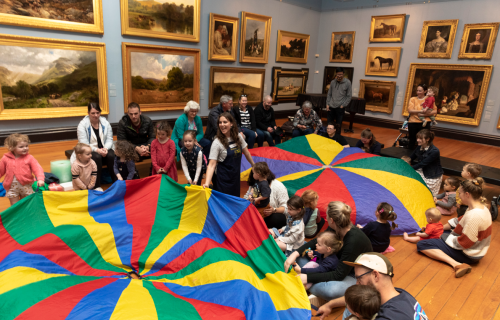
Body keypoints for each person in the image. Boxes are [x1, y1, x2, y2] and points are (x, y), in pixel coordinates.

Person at [284, 201, 372, 302]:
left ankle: (306, 282)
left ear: (332, 220)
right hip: (330, 263)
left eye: (326, 216)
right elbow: (316, 241)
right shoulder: (336, 227)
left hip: (352, 274)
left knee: (330, 291)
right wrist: (295, 254)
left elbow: (339, 274)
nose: (325, 219)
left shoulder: (353, 240)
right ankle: (308, 282)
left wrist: (308, 278)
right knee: (300, 250)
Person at [317, 252, 427, 320]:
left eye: (359, 278)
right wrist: (330, 304)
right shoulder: (398, 293)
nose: (356, 283)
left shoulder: (388, 316)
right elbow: (356, 298)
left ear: (375, 275)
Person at [417, 178, 491, 278]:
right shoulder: (479, 207)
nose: (458, 196)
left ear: (467, 194)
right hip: (475, 248)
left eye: (459, 193)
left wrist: (443, 236)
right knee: (440, 233)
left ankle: (457, 265)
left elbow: (465, 242)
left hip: (470, 254)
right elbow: (460, 220)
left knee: (422, 244)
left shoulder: (474, 216)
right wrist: (438, 228)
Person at [203, 112, 255, 197]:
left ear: (231, 124)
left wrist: (253, 165)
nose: (222, 125)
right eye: (220, 122)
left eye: (225, 122)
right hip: (222, 180)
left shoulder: (238, 137)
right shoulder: (217, 142)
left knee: (234, 201)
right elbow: (211, 165)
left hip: (235, 177)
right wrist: (207, 183)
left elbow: (246, 152)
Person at [72, 102, 116, 189]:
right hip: (88, 149)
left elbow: (110, 139)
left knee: (111, 155)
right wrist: (97, 150)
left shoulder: (105, 123)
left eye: (98, 113)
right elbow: (84, 144)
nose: (96, 115)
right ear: (88, 113)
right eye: (93, 113)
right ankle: (96, 185)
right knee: (96, 157)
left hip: (104, 148)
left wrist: (106, 148)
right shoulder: (82, 125)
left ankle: (116, 182)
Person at [0, 133, 44, 206]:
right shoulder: (5, 158)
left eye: (26, 146)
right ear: (12, 147)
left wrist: (40, 179)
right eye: (21, 147)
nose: (25, 148)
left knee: (26, 203)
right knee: (15, 205)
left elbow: (38, 169)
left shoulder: (30, 158)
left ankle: (26, 215)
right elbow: (0, 170)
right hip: (11, 187)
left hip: (26, 186)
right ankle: (17, 216)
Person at [409, 129, 443, 196]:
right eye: (417, 138)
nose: (417, 140)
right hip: (422, 170)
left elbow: (422, 164)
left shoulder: (434, 151)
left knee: (426, 194)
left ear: (428, 139)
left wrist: (409, 168)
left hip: (431, 175)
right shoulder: (419, 147)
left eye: (420, 138)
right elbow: (411, 157)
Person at [407, 84, 437, 149]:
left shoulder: (430, 98)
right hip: (413, 122)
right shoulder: (413, 99)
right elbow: (410, 110)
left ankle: (423, 155)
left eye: (420, 91)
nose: (418, 92)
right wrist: (421, 112)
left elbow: (435, 111)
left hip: (425, 124)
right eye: (417, 90)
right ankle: (410, 156)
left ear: (425, 91)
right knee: (412, 140)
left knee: (425, 141)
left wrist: (422, 115)